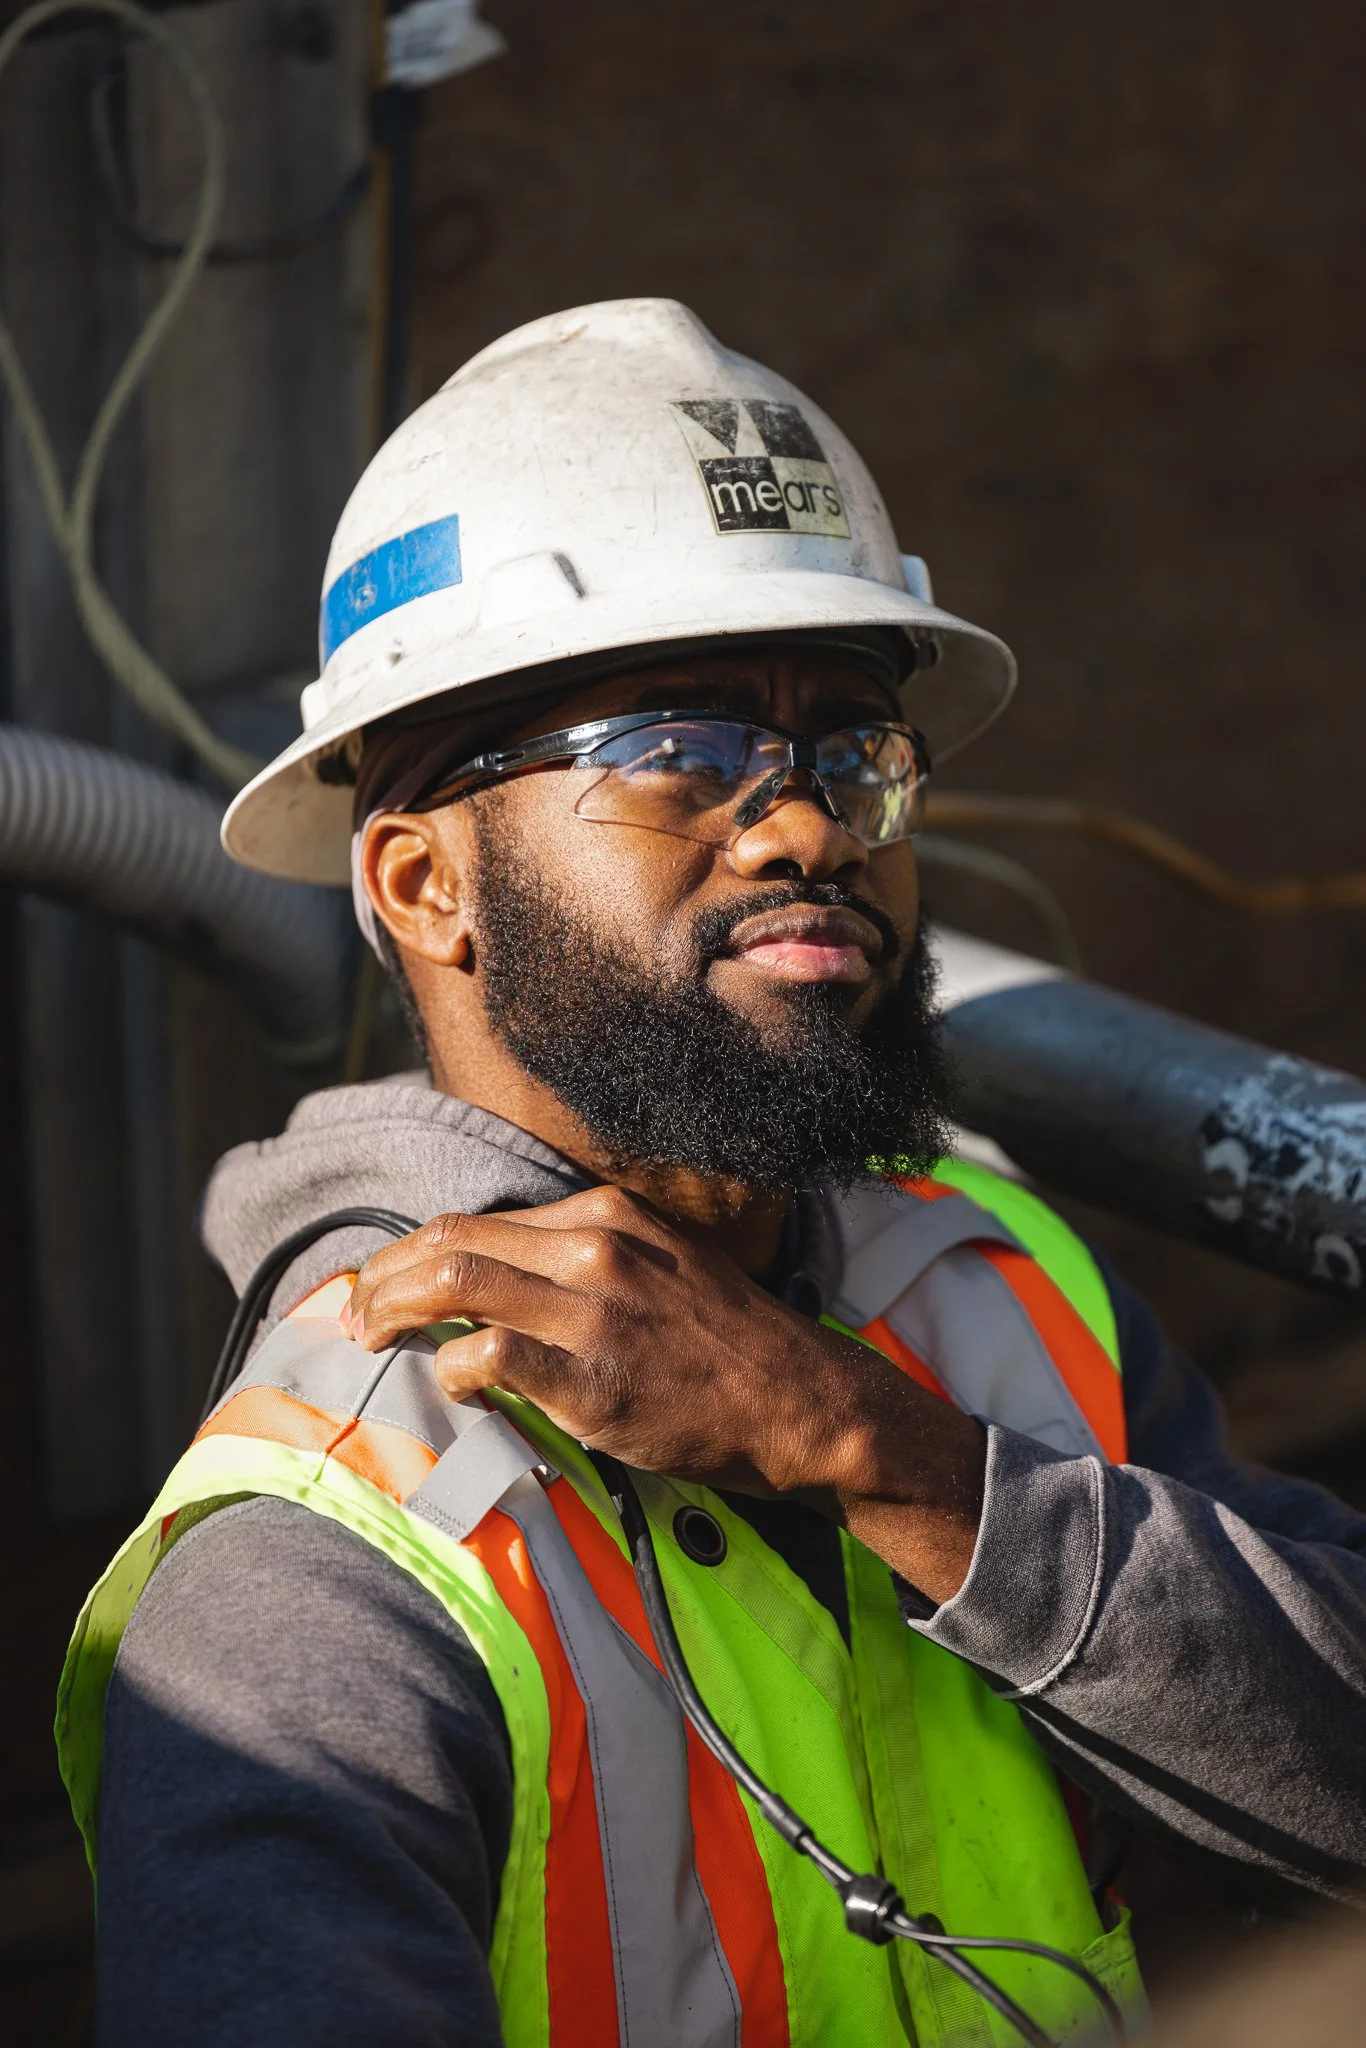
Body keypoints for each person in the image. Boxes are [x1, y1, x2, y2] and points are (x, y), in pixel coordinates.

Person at [61, 301, 1366, 2048]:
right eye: (674, 750)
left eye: (850, 750)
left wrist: (882, 1451)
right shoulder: (325, 1549)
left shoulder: (994, 1289)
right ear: (422, 885)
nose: (808, 825)